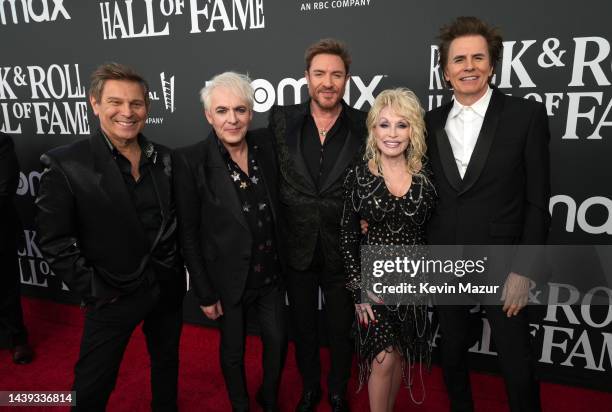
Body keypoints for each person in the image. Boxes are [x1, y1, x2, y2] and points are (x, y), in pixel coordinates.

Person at [36, 63, 186, 412]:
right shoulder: (66, 164)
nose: (127, 112)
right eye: (115, 102)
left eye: (136, 103)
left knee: (167, 367)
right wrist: (96, 291)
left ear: (147, 108)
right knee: (91, 386)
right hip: (112, 294)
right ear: (95, 103)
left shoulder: (165, 158)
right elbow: (54, 242)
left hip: (166, 286)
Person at [426, 17, 550, 411]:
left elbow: (538, 200)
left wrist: (524, 269)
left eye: (478, 57)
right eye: (459, 59)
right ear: (445, 70)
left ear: (492, 65)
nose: (468, 66)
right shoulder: (427, 123)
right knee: (452, 356)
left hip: (504, 261)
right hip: (444, 260)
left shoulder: (524, 116)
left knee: (516, 363)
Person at [174, 72, 287, 412]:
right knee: (233, 351)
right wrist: (205, 292)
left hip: (270, 275)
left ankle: (269, 397)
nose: (232, 119)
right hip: (227, 281)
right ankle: (240, 405)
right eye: (222, 111)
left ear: (251, 113)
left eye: (240, 109)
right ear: (209, 116)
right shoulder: (190, 161)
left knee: (279, 342)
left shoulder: (267, 146)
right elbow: (189, 233)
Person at [268, 38, 367, 412]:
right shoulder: (281, 119)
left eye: (336, 74)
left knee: (341, 328)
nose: (328, 82)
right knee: (304, 327)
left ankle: (338, 389)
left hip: (344, 247)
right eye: (320, 73)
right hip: (296, 245)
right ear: (307, 77)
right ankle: (311, 387)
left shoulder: (364, 123)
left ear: (347, 79)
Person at [340, 88, 435, 412]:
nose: (392, 134)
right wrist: (358, 291)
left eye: (401, 125)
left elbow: (435, 229)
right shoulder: (358, 176)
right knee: (382, 360)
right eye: (384, 125)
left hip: (413, 286)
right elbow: (348, 234)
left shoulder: (426, 177)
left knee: (399, 359)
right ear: (372, 130)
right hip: (374, 286)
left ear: (413, 131)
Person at [0, 132, 34, 365]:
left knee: (5, 285)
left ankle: (16, 338)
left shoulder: (1, 142)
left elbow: (4, 188)